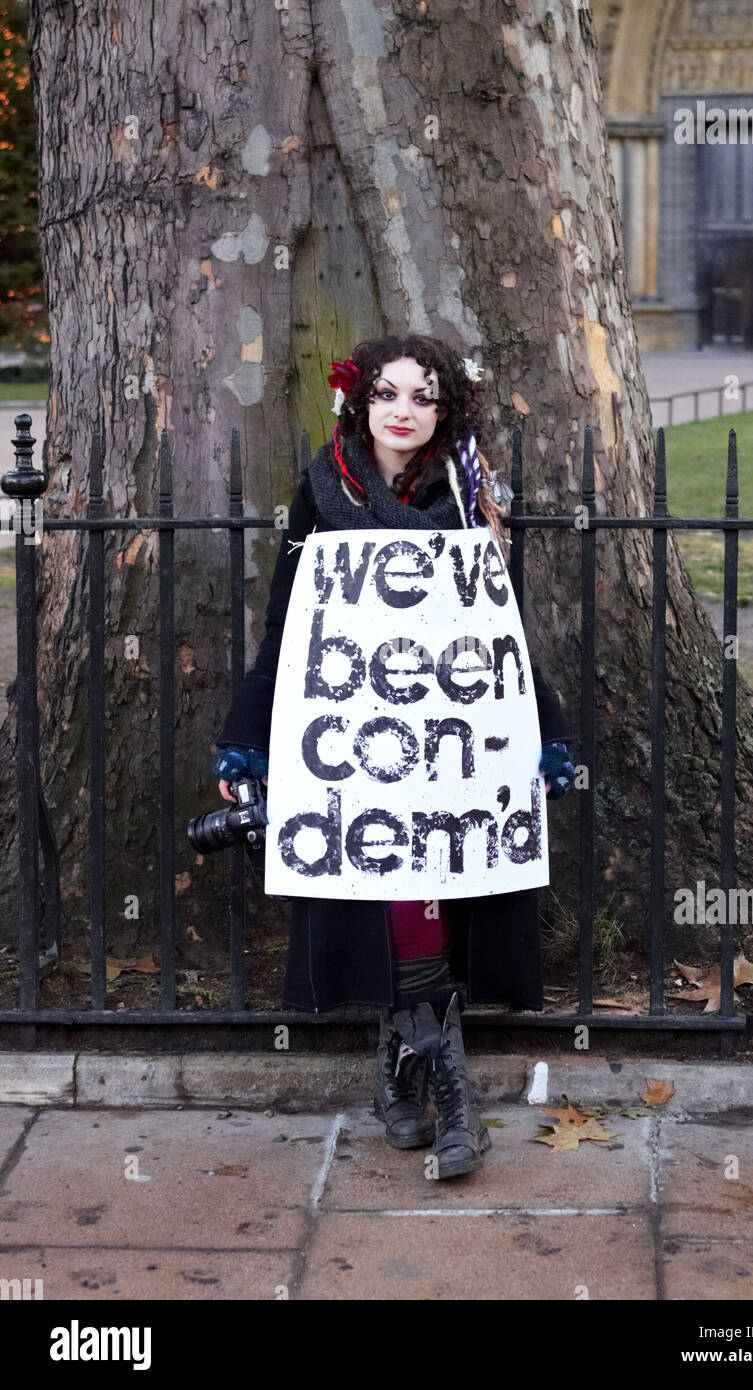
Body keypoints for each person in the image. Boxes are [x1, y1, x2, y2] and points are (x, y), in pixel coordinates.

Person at [212, 334, 575, 1179]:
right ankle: (453, 1102)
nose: (403, 411)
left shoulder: (466, 492)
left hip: (447, 747)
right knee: (395, 891)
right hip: (356, 743)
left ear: (444, 410)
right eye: (386, 394)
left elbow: (503, 628)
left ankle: (402, 1072)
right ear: (358, 403)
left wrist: (545, 733)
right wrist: (248, 735)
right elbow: (286, 625)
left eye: (422, 396)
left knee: (435, 889)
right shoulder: (320, 488)